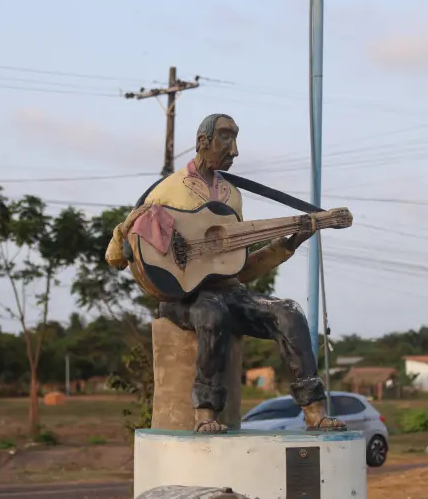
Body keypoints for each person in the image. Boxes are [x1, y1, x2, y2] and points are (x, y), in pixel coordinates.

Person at [106, 113, 345, 434]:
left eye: (235, 139)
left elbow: (236, 268)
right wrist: (126, 232)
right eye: (225, 138)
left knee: (288, 312)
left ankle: (314, 410)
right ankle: (205, 412)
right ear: (202, 142)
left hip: (228, 292)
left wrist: (287, 245)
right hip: (183, 297)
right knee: (212, 313)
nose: (234, 150)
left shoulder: (232, 195)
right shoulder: (167, 190)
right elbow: (117, 257)